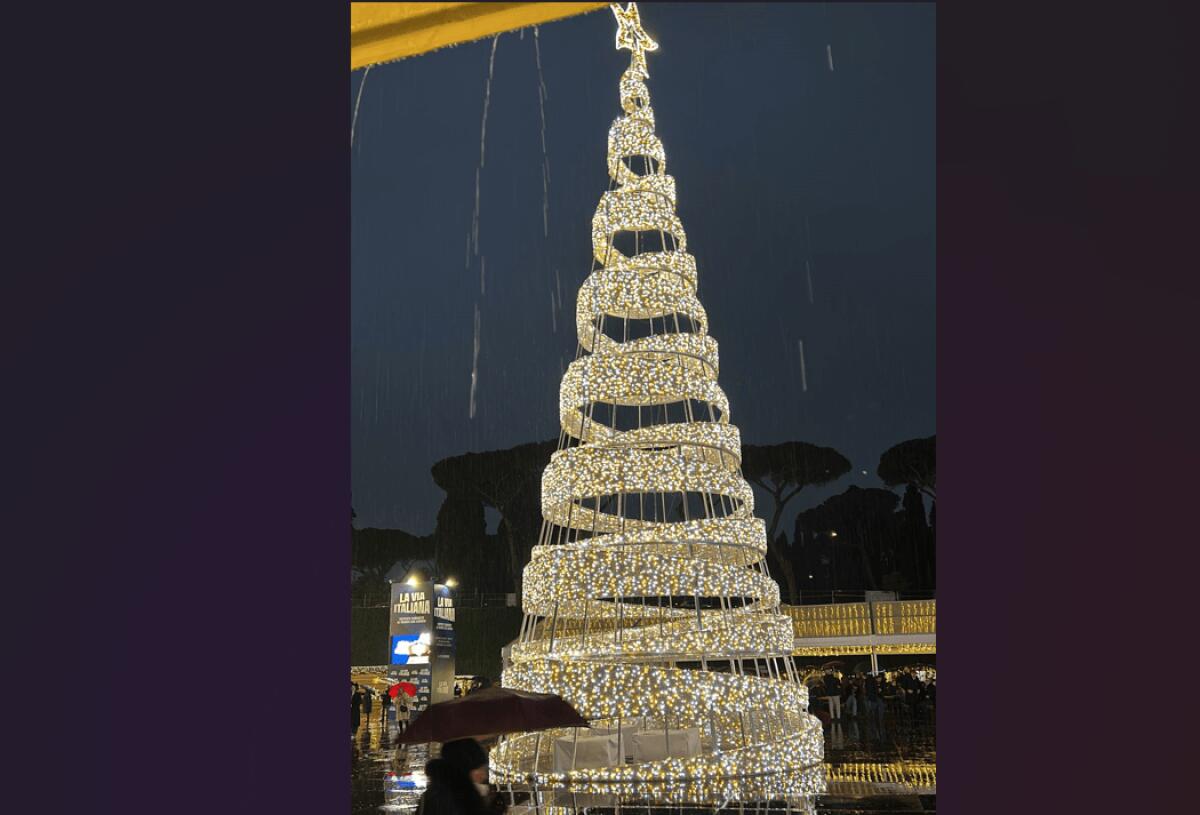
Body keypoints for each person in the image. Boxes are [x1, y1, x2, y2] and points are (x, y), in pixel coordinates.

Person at [419, 738, 507, 815]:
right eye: (479, 770)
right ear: (464, 770)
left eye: (484, 769)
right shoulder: (456, 798)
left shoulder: (440, 793)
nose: (483, 776)